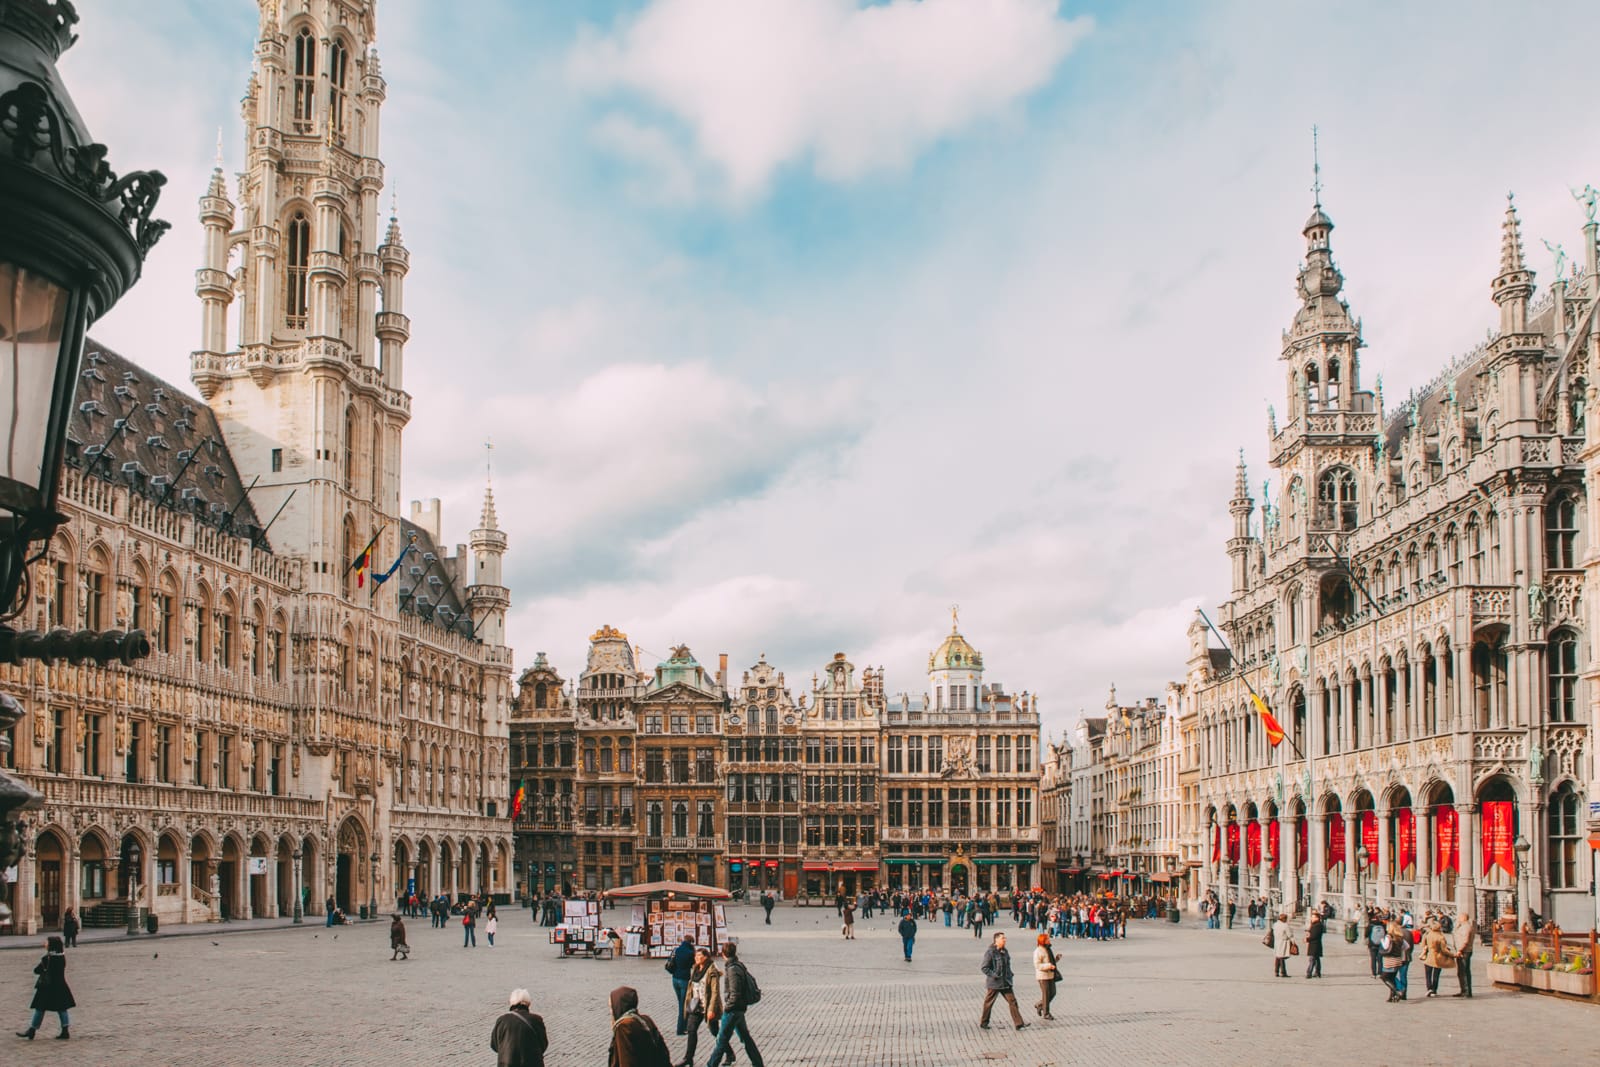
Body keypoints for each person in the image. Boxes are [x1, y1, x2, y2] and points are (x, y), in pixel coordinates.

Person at [706, 942, 764, 1067]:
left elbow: (735, 992)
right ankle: (758, 1063)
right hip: (739, 1009)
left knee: (721, 1039)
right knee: (745, 1037)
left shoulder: (732, 969)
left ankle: (711, 1064)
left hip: (733, 1009)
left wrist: (727, 1007)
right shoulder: (738, 965)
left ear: (723, 954)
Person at [678, 946, 735, 1067]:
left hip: (708, 1006)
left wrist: (711, 1009)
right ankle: (688, 1058)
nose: (697, 958)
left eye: (700, 956)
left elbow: (715, 992)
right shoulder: (695, 969)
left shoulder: (712, 970)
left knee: (715, 1032)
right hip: (696, 1006)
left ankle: (729, 1053)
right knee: (691, 1030)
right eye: (696, 956)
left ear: (706, 957)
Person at [15, 935, 74, 1041]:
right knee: (62, 1009)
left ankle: (32, 1030)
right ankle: (65, 1031)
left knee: (40, 1008)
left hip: (47, 987)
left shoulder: (47, 958)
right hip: (60, 986)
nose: (45, 944)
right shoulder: (61, 957)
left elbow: (37, 970)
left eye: (47, 942)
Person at [608, 986, 672, 1067]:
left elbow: (626, 1061)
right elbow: (663, 1051)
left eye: (611, 1007)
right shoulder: (645, 1019)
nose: (611, 1011)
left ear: (618, 1006)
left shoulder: (624, 1026)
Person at [979, 931, 1029, 1031]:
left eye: (1004, 938)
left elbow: (1007, 965)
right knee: (989, 1003)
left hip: (1006, 982)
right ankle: (984, 1022)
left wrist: (1010, 974)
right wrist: (995, 975)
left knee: (1013, 1001)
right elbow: (984, 967)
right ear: (996, 940)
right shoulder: (990, 952)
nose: (1005, 940)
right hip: (995, 983)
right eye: (1002, 938)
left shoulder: (1005, 951)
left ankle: (1019, 1023)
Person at [491, 988, 549, 1067]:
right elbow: (543, 1044)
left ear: (511, 1002)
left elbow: (494, 1045)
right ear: (528, 1003)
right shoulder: (536, 1020)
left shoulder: (502, 1020)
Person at [667, 935, 696, 1036]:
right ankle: (680, 1029)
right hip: (684, 980)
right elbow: (693, 964)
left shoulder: (676, 950)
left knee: (681, 1003)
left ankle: (684, 1026)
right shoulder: (690, 953)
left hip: (675, 979)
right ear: (691, 943)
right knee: (683, 1005)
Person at [1420, 919, 1454, 997]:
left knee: (1428, 974)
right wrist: (1452, 955)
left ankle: (1429, 988)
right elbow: (1444, 949)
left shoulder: (1427, 935)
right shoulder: (1441, 936)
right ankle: (1434, 990)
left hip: (1429, 956)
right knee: (1436, 974)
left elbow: (1422, 945)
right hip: (1438, 957)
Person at [1032, 932, 1060, 1020]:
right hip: (1043, 976)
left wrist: (1056, 959)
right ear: (1043, 941)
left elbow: (1050, 961)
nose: (1049, 940)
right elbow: (1037, 965)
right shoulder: (1038, 951)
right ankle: (1046, 1013)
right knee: (1046, 994)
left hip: (1050, 975)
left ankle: (1040, 1005)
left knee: (1053, 993)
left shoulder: (1048, 949)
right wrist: (1048, 966)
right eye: (1047, 939)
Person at [1452, 911, 1475, 997]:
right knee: (1461, 972)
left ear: (1463, 918)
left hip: (1464, 952)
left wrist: (1460, 950)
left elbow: (1465, 941)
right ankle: (1463, 990)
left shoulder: (1466, 927)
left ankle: (1467, 991)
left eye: (1460, 917)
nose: (1458, 919)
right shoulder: (1463, 926)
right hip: (1462, 951)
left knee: (1464, 971)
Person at [1270, 913, 1292, 978]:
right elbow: (1289, 935)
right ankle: (1283, 972)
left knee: (1277, 957)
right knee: (1282, 957)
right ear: (1285, 919)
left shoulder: (1275, 924)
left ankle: (1276, 971)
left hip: (1276, 942)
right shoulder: (1285, 925)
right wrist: (1293, 941)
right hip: (1283, 942)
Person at [1303, 911, 1323, 979]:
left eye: (1313, 917)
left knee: (1312, 959)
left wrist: (1307, 939)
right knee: (1316, 959)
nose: (1312, 918)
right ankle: (1317, 972)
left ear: (1317, 918)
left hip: (1314, 944)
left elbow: (1314, 935)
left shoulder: (1317, 925)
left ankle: (1309, 973)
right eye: (1312, 917)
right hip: (1315, 944)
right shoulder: (1315, 925)